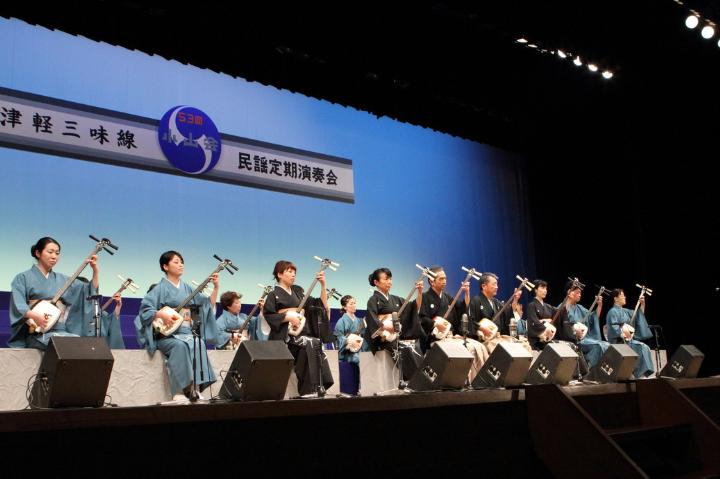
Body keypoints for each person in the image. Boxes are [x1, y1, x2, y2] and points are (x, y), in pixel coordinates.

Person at [135, 251, 219, 402]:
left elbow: (206, 305)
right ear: (165, 266)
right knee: (179, 346)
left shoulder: (188, 288)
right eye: (176, 262)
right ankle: (181, 390)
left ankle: (196, 388)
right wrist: (161, 314)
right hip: (167, 335)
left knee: (198, 342)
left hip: (186, 333)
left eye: (181, 262)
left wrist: (215, 288)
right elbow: (145, 310)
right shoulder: (159, 289)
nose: (181, 265)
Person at [9, 237, 99, 350]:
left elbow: (88, 291)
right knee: (64, 345)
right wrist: (35, 316)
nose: (54, 256)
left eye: (57, 253)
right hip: (36, 332)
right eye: (50, 252)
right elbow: (19, 304)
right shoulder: (22, 278)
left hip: (60, 330)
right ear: (38, 253)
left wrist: (95, 270)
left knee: (79, 343)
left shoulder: (63, 280)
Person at [263, 260, 334, 396]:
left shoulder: (298, 293)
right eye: (289, 271)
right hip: (284, 336)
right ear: (279, 274)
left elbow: (319, 305)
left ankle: (319, 386)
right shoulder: (273, 294)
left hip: (299, 333)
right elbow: (269, 315)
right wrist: (288, 317)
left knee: (315, 343)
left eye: (294, 272)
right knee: (309, 343)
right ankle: (308, 389)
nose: (293, 274)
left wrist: (323, 285)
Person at [419, 266, 489, 381]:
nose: (444, 281)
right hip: (435, 339)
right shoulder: (425, 297)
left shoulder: (447, 297)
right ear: (432, 281)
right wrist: (435, 324)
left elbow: (462, 309)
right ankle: (460, 380)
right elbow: (421, 318)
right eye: (441, 279)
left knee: (478, 347)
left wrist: (466, 293)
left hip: (451, 337)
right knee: (466, 349)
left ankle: (477, 380)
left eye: (445, 278)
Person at [364, 267, 425, 382]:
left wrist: (420, 292)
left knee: (413, 345)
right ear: (376, 282)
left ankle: (420, 377)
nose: (389, 282)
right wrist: (386, 326)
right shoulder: (373, 300)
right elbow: (372, 319)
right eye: (386, 279)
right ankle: (412, 380)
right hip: (383, 339)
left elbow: (414, 307)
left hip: (395, 336)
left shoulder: (396, 299)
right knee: (402, 349)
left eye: (390, 279)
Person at [556, 280, 609, 371]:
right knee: (598, 346)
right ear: (570, 292)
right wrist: (574, 331)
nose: (580, 295)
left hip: (584, 338)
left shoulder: (580, 308)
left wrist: (599, 305)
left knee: (606, 345)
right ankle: (587, 369)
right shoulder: (562, 307)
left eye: (580, 293)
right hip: (572, 339)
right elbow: (561, 326)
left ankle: (598, 370)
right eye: (578, 292)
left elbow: (593, 318)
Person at [606, 288, 654, 378]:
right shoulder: (612, 312)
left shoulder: (626, 311)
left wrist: (642, 304)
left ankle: (640, 374)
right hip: (618, 342)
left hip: (627, 341)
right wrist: (623, 332)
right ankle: (637, 374)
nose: (625, 297)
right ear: (616, 298)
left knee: (645, 347)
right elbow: (613, 328)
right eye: (622, 295)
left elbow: (639, 316)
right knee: (641, 347)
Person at [334, 295, 370, 363]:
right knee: (360, 359)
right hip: (347, 353)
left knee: (372, 355)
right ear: (344, 307)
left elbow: (364, 336)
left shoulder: (360, 320)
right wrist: (348, 341)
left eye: (354, 303)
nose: (354, 305)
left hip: (360, 348)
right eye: (351, 304)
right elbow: (339, 338)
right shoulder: (341, 321)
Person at [525, 279, 559, 350]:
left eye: (546, 288)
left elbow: (556, 317)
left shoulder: (548, 307)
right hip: (537, 341)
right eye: (542, 288)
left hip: (548, 338)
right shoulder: (532, 305)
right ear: (536, 290)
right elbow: (534, 323)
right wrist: (545, 323)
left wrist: (544, 322)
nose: (545, 290)